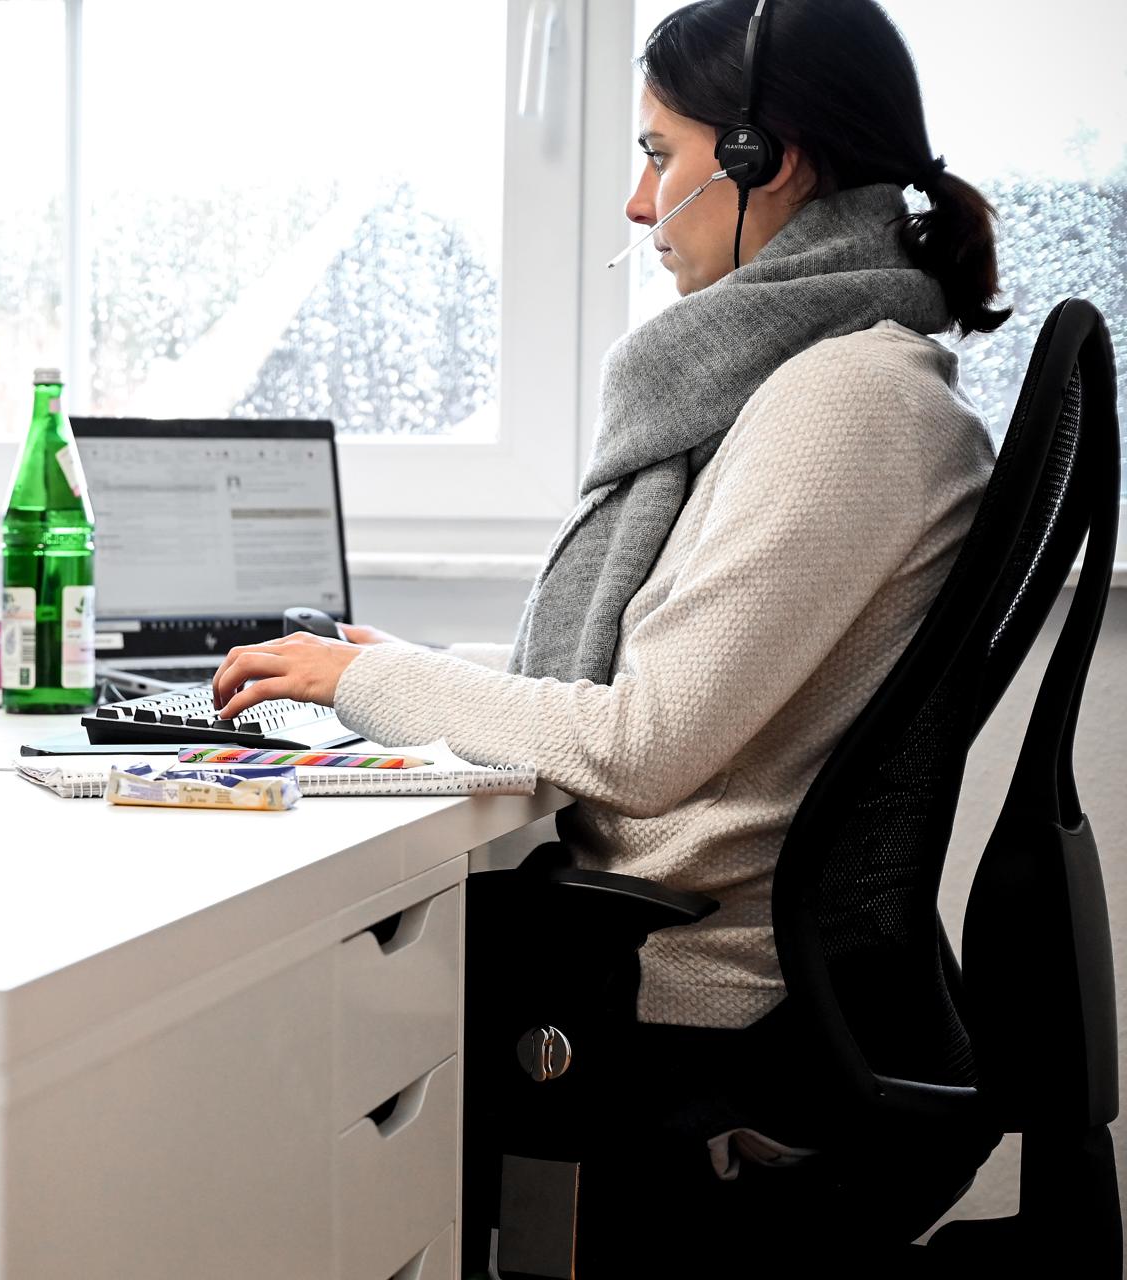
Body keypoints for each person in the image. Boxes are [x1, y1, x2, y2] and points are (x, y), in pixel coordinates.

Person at [211, 0, 1009, 1265]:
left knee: (238, 1025)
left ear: (765, 160)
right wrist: (387, 672)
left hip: (689, 977)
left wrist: (375, 679)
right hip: (707, 939)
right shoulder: (820, 383)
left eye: (659, 155)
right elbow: (670, 683)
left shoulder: (846, 403)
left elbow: (641, 745)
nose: (641, 209)